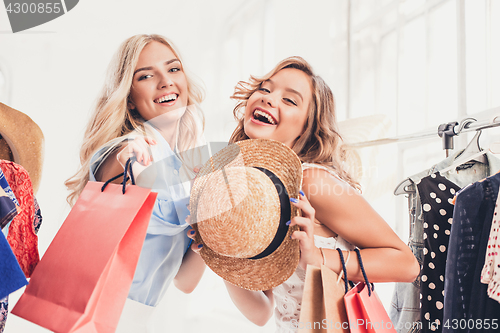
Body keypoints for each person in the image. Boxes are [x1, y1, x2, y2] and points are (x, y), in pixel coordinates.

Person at [191, 56, 420, 332]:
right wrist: (220, 256)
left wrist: (318, 258)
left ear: (307, 126)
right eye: (264, 89)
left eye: (290, 100)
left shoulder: (311, 181)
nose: (268, 98)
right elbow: (262, 312)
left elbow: (406, 264)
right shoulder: (256, 194)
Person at [65, 34, 206, 331]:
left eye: (173, 69)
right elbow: (126, 178)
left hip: (137, 320)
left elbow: (184, 281)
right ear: (128, 99)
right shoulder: (126, 150)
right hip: (96, 316)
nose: (166, 81)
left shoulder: (182, 169)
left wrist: (211, 232)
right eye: (146, 76)